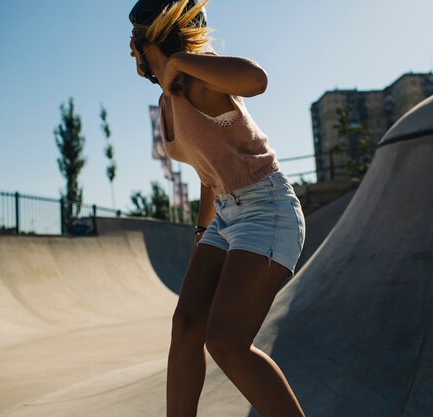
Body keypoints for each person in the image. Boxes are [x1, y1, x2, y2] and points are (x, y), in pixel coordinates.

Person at [128, 1, 306, 416]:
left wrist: (179, 62)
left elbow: (257, 78)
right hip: (226, 216)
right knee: (186, 325)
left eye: (132, 43)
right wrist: (200, 233)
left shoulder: (194, 78)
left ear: (146, 40)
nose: (129, 54)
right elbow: (210, 169)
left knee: (225, 340)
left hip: (267, 207)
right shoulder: (167, 100)